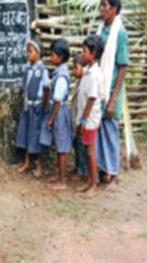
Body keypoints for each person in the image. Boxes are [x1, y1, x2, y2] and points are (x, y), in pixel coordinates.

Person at [96, 0, 129, 189]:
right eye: (101, 5)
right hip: (99, 87)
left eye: (105, 6)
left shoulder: (121, 34)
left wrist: (113, 98)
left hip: (111, 89)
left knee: (110, 131)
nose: (102, 9)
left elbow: (122, 66)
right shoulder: (101, 31)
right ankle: (103, 170)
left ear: (114, 9)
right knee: (99, 130)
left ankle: (114, 174)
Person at [40, 39, 73, 190]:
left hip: (59, 113)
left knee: (61, 147)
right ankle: (59, 176)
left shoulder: (61, 76)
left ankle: (62, 181)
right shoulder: (60, 71)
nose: (50, 58)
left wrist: (52, 118)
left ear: (60, 57)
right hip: (57, 111)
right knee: (59, 145)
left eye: (52, 55)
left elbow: (58, 100)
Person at [16, 39, 50, 177]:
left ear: (38, 53)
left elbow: (46, 88)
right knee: (27, 134)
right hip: (28, 107)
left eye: (30, 52)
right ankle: (27, 162)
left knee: (37, 135)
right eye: (27, 52)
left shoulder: (42, 71)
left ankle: (39, 165)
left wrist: (44, 106)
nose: (27, 54)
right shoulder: (28, 69)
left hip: (37, 107)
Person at [75, 36, 104, 198]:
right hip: (85, 119)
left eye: (85, 51)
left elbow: (91, 99)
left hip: (90, 120)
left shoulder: (94, 75)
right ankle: (89, 180)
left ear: (93, 53)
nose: (82, 54)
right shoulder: (88, 71)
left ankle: (94, 184)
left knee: (91, 152)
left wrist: (83, 121)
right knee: (87, 151)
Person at [71, 55, 88, 179]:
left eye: (76, 68)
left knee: (82, 147)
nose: (74, 71)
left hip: (81, 121)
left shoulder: (85, 84)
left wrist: (81, 122)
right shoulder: (78, 82)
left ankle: (82, 171)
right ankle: (77, 167)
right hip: (76, 119)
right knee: (77, 145)